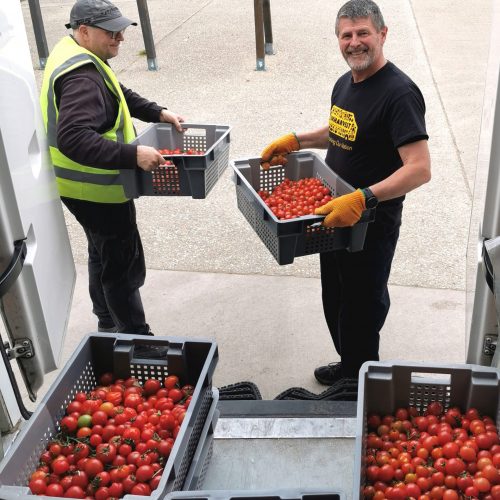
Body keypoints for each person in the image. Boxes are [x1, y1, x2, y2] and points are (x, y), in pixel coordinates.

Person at [261, 0, 431, 385]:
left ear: (382, 34)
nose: (355, 43)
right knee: (336, 298)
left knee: (362, 306)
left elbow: (419, 168)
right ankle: (349, 363)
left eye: (363, 33)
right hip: (332, 215)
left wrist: (363, 198)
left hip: (369, 223)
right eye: (346, 35)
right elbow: (342, 129)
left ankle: (359, 382)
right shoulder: (346, 82)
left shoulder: (400, 93)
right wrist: (297, 139)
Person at [40, 0, 185, 336]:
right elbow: (73, 138)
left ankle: (106, 320)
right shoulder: (81, 77)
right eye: (111, 31)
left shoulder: (75, 54)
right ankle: (136, 336)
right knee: (123, 266)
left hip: (77, 189)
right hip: (98, 190)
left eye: (121, 29)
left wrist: (156, 112)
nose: (120, 36)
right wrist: (132, 156)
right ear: (84, 30)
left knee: (101, 251)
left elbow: (115, 92)